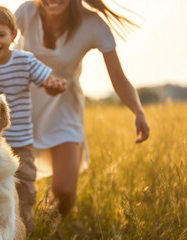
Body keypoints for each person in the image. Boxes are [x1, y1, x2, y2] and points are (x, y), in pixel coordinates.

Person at [14, 0, 150, 219]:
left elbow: (118, 77)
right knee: (13, 184)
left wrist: (138, 111)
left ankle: (46, 224)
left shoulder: (93, 25)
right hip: (23, 104)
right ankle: (23, 226)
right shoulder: (26, 12)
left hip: (65, 107)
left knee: (65, 192)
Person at [0, 4, 66, 236]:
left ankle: (23, 232)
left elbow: (46, 77)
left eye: (1, 35)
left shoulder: (24, 61)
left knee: (24, 190)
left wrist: (53, 84)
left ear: (13, 35)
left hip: (19, 143)